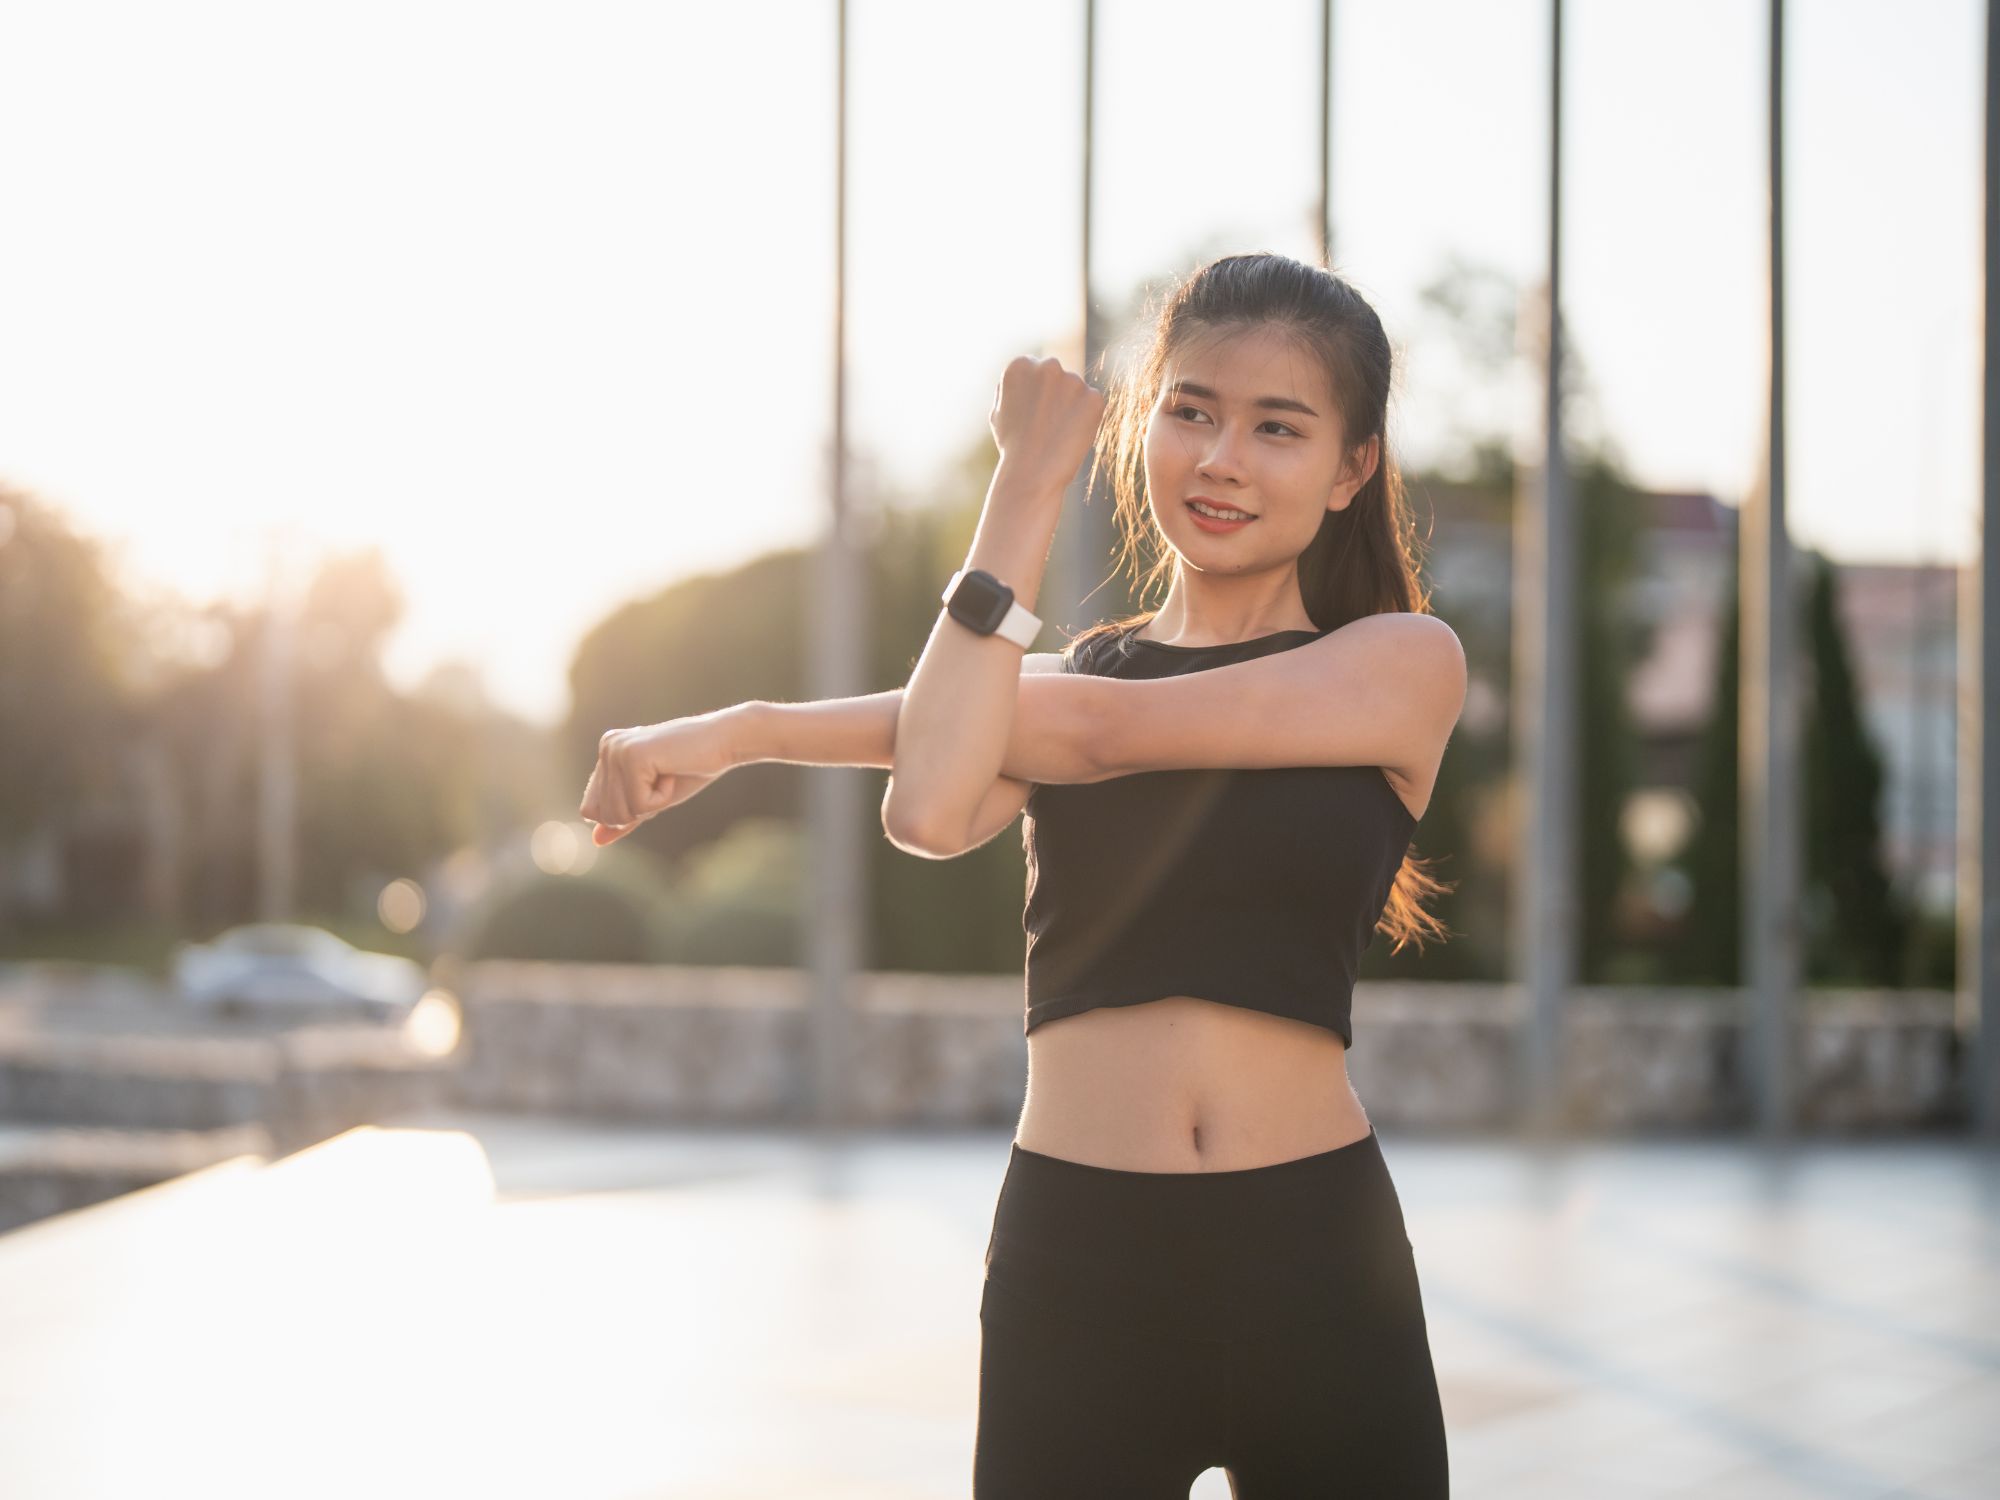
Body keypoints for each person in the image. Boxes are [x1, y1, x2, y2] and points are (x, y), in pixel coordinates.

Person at [578, 250, 1464, 1497]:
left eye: (1277, 428)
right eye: (1190, 410)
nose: (1219, 459)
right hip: (1080, 1256)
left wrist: (760, 727)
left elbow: (1090, 730)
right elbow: (933, 804)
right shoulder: (1064, 680)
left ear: (1350, 468)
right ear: (1146, 418)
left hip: (1314, 1255)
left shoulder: (1400, 664)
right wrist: (1024, 486)